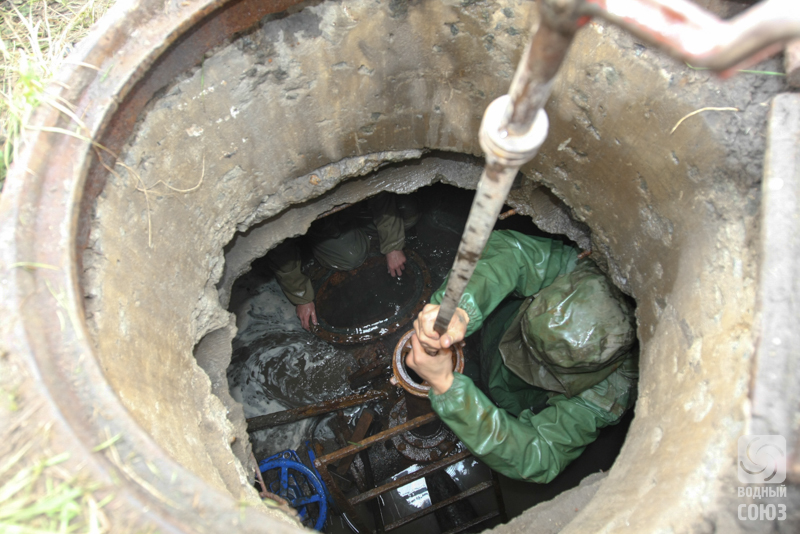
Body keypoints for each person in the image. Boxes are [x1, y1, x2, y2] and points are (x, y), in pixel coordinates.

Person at [407, 229, 637, 483]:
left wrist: (448, 388)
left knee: (499, 393)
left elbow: (542, 455)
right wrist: (461, 308)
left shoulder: (611, 390)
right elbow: (511, 252)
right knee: (489, 355)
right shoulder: (575, 269)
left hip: (520, 396)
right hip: (497, 333)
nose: (528, 352)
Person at [267, 193, 419, 330]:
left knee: (408, 213)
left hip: (354, 204)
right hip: (319, 217)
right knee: (352, 256)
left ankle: (360, 235)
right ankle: (322, 241)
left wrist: (393, 245)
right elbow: (280, 245)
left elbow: (380, 192)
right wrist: (301, 296)